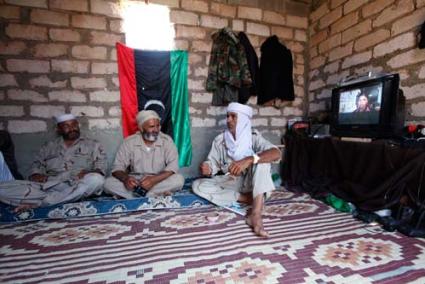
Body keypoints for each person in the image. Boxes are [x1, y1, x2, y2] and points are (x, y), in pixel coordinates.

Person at [192, 102, 281, 237]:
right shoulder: (220, 140)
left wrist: (249, 159)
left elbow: (276, 153)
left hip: (253, 183)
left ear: (243, 119)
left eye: (233, 117)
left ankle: (255, 214)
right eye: (228, 116)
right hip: (232, 183)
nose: (228, 120)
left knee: (262, 161)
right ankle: (248, 199)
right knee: (197, 185)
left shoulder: (253, 137)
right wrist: (208, 168)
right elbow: (213, 164)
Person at [0, 114, 107, 211]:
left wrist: (90, 172)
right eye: (66, 126)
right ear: (59, 129)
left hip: (78, 184)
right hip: (51, 186)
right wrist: (36, 174)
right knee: (3, 188)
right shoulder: (48, 147)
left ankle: (41, 203)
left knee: (97, 180)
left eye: (74, 125)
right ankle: (63, 198)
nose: (72, 129)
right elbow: (37, 165)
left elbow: (101, 168)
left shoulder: (93, 145)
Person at [104, 110, 184, 198]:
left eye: (158, 126)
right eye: (151, 127)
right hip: (136, 181)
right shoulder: (129, 142)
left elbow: (173, 167)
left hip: (158, 180)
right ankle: (154, 194)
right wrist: (126, 179)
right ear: (141, 128)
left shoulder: (167, 141)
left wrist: (153, 180)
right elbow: (117, 168)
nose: (156, 130)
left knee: (179, 179)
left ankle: (135, 195)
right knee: (108, 183)